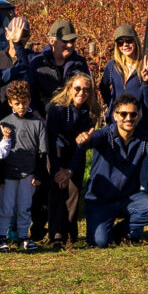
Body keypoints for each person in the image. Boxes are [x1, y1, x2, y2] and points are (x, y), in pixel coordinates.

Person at [81, 96, 148, 247]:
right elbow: (92, 140)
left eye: (133, 114)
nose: (128, 118)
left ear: (139, 115)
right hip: (100, 201)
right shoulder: (105, 134)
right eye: (123, 114)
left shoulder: (143, 137)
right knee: (100, 243)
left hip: (127, 198)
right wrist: (85, 140)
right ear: (115, 115)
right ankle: (105, 232)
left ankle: (118, 232)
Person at [43, 69, 100, 248]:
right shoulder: (57, 108)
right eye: (77, 88)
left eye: (86, 89)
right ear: (69, 89)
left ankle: (70, 233)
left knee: (74, 190)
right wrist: (57, 169)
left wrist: (70, 170)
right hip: (56, 151)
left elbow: (83, 143)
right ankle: (56, 235)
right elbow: (50, 140)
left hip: (76, 152)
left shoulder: (90, 111)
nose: (81, 92)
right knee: (58, 190)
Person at [0, 79, 47, 250]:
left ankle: (23, 236)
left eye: (24, 102)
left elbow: (42, 152)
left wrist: (39, 174)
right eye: (17, 103)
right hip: (8, 174)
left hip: (28, 174)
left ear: (29, 100)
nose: (21, 106)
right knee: (6, 207)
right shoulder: (4, 123)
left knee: (24, 207)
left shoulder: (37, 124)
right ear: (10, 103)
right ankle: (2, 237)